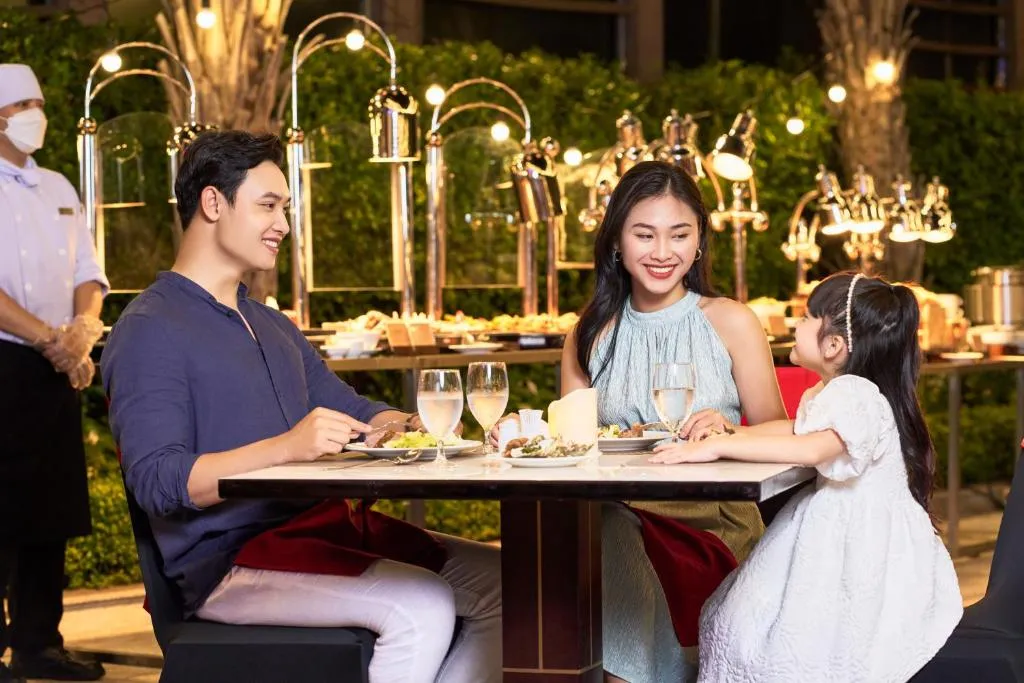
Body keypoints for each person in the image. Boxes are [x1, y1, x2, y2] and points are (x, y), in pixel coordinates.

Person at [101, 130, 501, 683]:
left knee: (504, 581)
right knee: (422, 606)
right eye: (268, 205)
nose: (284, 225)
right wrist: (287, 448)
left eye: (285, 208)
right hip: (228, 562)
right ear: (213, 202)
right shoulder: (150, 328)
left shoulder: (270, 322)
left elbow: (351, 408)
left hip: (320, 531)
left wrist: (412, 425)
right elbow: (157, 480)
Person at [530, 160, 787, 682]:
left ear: (699, 241)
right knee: (600, 534)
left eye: (679, 235)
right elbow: (570, 446)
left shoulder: (731, 321)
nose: (663, 252)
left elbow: (781, 431)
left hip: (710, 521)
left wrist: (730, 433)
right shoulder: (589, 333)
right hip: (617, 515)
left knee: (606, 541)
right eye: (644, 235)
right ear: (616, 241)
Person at [652, 272, 963, 683]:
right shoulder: (833, 391)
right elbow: (796, 430)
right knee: (741, 624)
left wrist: (718, 447)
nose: (795, 326)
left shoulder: (856, 393)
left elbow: (814, 449)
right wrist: (730, 430)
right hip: (834, 527)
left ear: (833, 345)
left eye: (804, 318)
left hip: (859, 545)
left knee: (782, 644)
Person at [0, 63, 108, 683]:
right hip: (4, 364)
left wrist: (83, 329)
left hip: (56, 366)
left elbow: (88, 272)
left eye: (38, 102)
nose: (35, 114)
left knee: (50, 511)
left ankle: (39, 644)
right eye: (23, 105)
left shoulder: (59, 185)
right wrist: (51, 339)